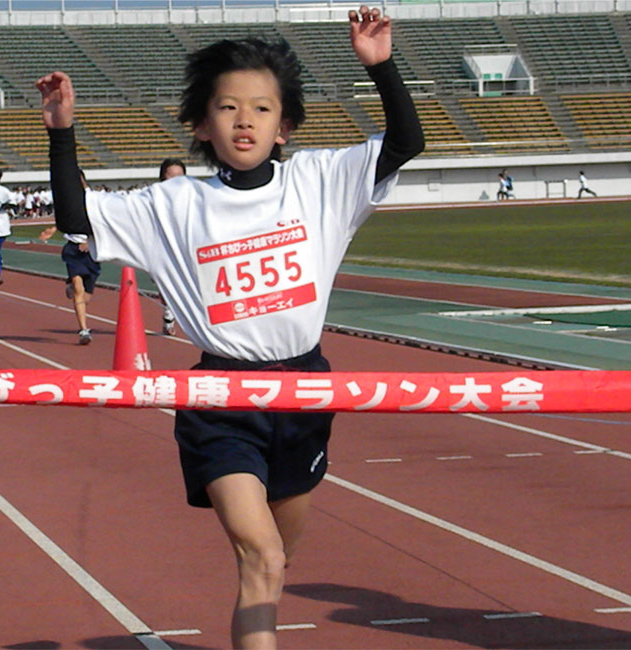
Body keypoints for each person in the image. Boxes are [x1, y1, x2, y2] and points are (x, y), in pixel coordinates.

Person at [38, 7, 423, 648]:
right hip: (221, 399)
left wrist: (380, 67)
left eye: (262, 109)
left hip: (304, 393)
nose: (245, 119)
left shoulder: (319, 182)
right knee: (263, 558)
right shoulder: (174, 205)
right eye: (228, 107)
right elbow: (76, 212)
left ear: (284, 126)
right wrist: (61, 130)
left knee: (273, 567)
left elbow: (406, 142)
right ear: (200, 123)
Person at [39, 169, 100, 345]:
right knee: (79, 289)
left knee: (85, 296)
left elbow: (103, 225)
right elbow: (62, 220)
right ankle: (84, 330)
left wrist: (90, 243)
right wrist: (51, 230)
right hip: (72, 250)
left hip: (92, 251)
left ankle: (72, 290)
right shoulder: (68, 201)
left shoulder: (94, 200)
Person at [157, 157, 187, 336]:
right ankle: (169, 315)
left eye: (180, 178)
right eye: (171, 179)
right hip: (163, 250)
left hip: (187, 248)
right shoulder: (154, 200)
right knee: (168, 285)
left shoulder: (194, 198)